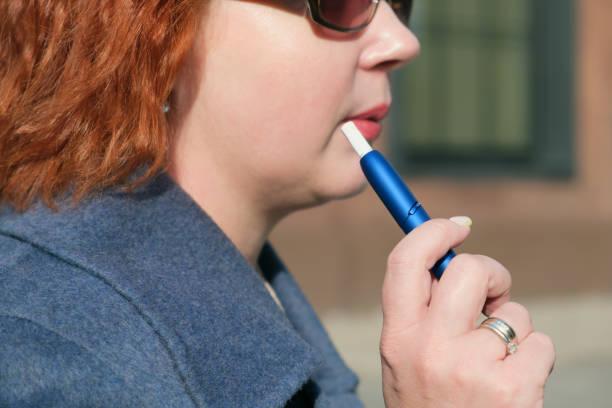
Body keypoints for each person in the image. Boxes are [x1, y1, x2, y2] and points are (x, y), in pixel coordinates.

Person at [0, 0, 555, 407]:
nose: (403, 43)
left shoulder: (246, 288)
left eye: (399, 2)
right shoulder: (61, 349)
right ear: (156, 28)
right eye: (342, 1)